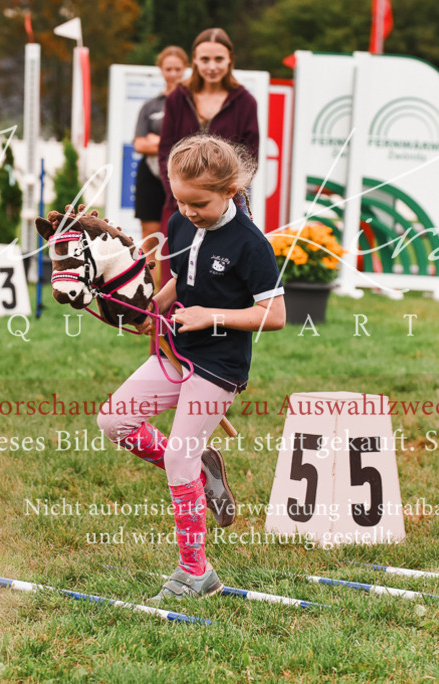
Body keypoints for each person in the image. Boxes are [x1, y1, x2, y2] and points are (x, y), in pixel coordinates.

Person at [97, 134, 286, 602]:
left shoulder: (251, 244)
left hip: (220, 364)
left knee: (178, 458)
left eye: (198, 203)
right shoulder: (179, 224)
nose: (187, 211)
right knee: (114, 420)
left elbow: (275, 314)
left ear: (229, 190)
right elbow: (180, 279)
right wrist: (150, 311)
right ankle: (202, 473)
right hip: (178, 351)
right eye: (179, 201)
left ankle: (195, 573)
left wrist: (211, 316)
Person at [157, 28, 259, 259]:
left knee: (222, 273)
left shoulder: (245, 102)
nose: (212, 66)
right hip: (179, 205)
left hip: (225, 207)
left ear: (230, 59)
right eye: (205, 59)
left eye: (219, 59)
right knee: (177, 271)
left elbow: (250, 155)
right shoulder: (177, 98)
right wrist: (178, 194)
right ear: (194, 60)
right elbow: (165, 150)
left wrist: (224, 198)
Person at [133, 46, 187, 282]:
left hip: (183, 175)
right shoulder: (151, 106)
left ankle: (176, 288)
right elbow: (139, 144)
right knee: (151, 235)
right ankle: (148, 294)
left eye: (178, 69)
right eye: (168, 69)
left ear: (185, 69)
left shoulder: (191, 103)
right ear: (161, 70)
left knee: (181, 235)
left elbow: (191, 141)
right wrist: (166, 143)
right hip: (151, 175)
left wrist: (158, 140)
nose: (173, 73)